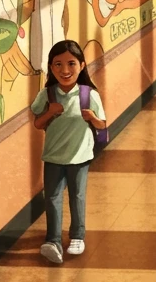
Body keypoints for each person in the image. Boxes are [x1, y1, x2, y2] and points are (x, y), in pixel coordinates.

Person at [30, 40, 107, 264]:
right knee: (52, 198)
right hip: (53, 156)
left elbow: (102, 124)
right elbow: (37, 123)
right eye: (58, 65)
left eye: (71, 64)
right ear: (51, 68)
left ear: (82, 65)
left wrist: (92, 117)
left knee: (77, 196)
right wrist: (50, 112)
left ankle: (77, 236)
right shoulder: (47, 95)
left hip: (80, 156)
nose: (65, 70)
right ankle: (53, 240)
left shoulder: (88, 94)